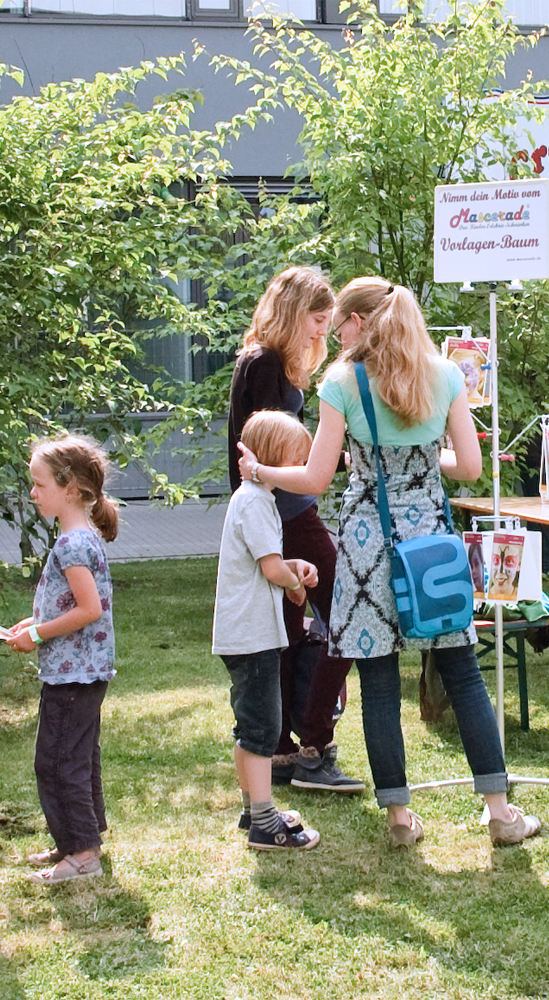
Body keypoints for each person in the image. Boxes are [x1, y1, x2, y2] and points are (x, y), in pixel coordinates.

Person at [238, 277, 541, 848]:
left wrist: (261, 473)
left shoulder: (343, 382)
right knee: (463, 673)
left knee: (378, 681)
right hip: (430, 545)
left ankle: (400, 821)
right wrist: (424, 452)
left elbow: (315, 478)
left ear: (359, 322)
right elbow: (471, 467)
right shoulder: (445, 374)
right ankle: (500, 813)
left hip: (365, 547)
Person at [226, 266, 364, 793]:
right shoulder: (263, 363)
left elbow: (289, 445)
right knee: (347, 613)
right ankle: (313, 744)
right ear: (292, 311)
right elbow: (256, 449)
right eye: (316, 320)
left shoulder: (269, 361)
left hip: (286, 509)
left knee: (286, 631)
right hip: (284, 513)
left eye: (328, 323)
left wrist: (337, 455)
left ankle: (282, 752)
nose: (320, 333)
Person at [6, 434, 118, 884]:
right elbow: (71, 604)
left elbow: (89, 610)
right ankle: (79, 838)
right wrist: (30, 624)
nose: (33, 493)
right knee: (79, 755)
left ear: (70, 488)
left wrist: (36, 633)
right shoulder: (80, 538)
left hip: (75, 676)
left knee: (56, 761)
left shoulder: (72, 545)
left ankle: (82, 853)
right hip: (83, 672)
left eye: (39, 484)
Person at [214, 411, 321, 851]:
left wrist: (293, 569)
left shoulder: (255, 500)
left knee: (250, 727)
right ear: (275, 457)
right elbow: (271, 568)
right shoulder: (257, 501)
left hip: (244, 633)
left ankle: (253, 806)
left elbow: (270, 563)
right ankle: (265, 822)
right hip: (252, 635)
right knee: (262, 730)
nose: (299, 469)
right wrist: (294, 582)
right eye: (296, 459)